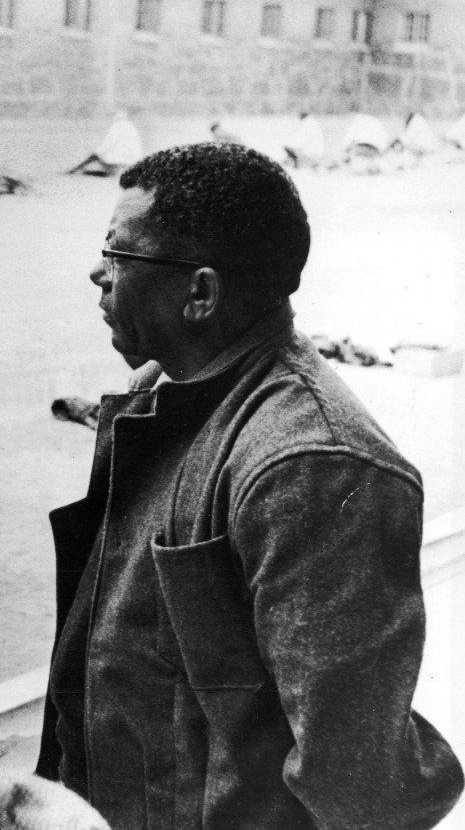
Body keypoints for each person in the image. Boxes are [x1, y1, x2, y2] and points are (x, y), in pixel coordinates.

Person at [37, 142, 462, 828]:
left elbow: (360, 788)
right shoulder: (168, 393)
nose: (97, 273)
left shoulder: (311, 465)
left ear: (199, 293)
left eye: (119, 256)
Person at [66, 111, 143, 176]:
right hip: (133, 166)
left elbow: (103, 149)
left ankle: (73, 171)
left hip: (118, 167)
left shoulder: (117, 126)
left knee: (88, 166)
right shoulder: (132, 128)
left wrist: (78, 167)